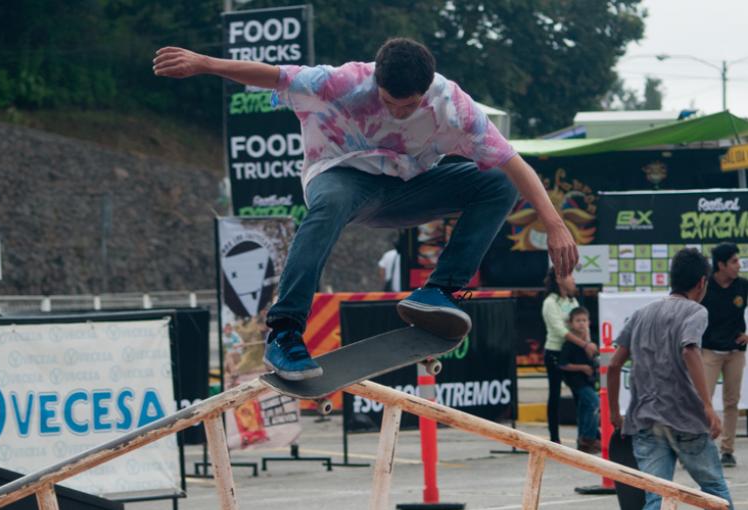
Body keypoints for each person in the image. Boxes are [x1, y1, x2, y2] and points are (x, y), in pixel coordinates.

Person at [154, 38, 577, 380]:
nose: (397, 112)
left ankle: (440, 291)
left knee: (497, 183)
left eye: (407, 106)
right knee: (330, 204)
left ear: (426, 89)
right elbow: (275, 75)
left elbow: (513, 162)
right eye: (390, 102)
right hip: (340, 177)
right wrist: (205, 63)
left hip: (407, 190)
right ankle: (284, 332)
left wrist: (554, 224)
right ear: (377, 82)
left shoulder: (454, 105)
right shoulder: (343, 81)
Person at [607, 248, 747, 510]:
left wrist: (614, 413)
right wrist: (707, 406)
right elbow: (689, 350)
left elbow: (613, 365)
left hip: (643, 421)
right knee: (714, 491)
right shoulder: (695, 312)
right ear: (702, 283)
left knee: (657, 495)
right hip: (685, 420)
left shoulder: (643, 313)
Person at [701, 242, 748, 468]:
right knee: (702, 400)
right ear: (720, 265)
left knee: (732, 402)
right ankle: (697, 445)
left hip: (735, 352)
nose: (739, 265)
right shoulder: (705, 286)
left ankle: (727, 450)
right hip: (709, 350)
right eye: (734, 261)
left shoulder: (743, 286)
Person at [541, 268, 596, 444]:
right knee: (555, 395)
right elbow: (561, 330)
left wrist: (588, 341)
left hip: (574, 352)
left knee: (582, 395)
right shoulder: (550, 302)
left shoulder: (572, 300)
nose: (573, 280)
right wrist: (585, 345)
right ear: (559, 278)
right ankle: (554, 439)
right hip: (556, 352)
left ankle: (586, 436)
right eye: (569, 275)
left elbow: (580, 323)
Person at [559, 306, 601, 453]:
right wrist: (582, 367)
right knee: (594, 403)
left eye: (584, 320)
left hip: (588, 380)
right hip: (577, 381)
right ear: (571, 323)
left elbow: (595, 360)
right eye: (578, 321)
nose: (581, 324)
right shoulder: (570, 343)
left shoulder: (590, 342)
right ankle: (589, 438)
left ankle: (583, 441)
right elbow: (563, 364)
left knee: (584, 409)